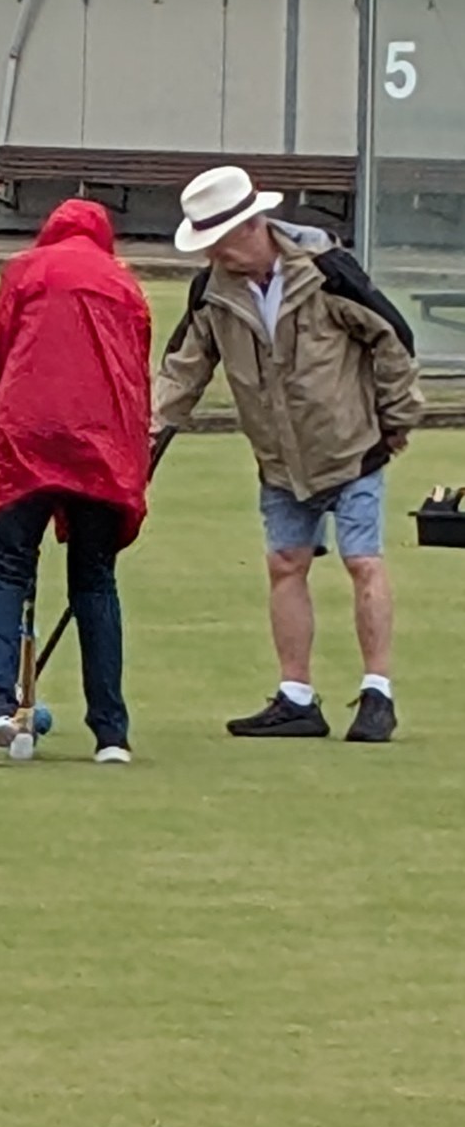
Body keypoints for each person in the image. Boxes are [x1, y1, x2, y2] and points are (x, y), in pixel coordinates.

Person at [155, 165, 425, 743]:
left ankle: (378, 694)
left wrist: (397, 417)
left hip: (352, 448)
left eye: (218, 243)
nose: (213, 256)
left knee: (363, 562)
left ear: (251, 226)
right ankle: (296, 697)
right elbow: (183, 371)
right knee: (285, 565)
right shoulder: (212, 292)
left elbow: (392, 337)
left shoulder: (327, 272)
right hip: (278, 458)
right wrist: (147, 440)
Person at [0, 198, 156, 765]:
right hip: (101, 445)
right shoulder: (126, 285)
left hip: (28, 437)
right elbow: (136, 379)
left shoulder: (25, 271)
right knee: (95, 580)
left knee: (6, 569)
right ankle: (111, 732)